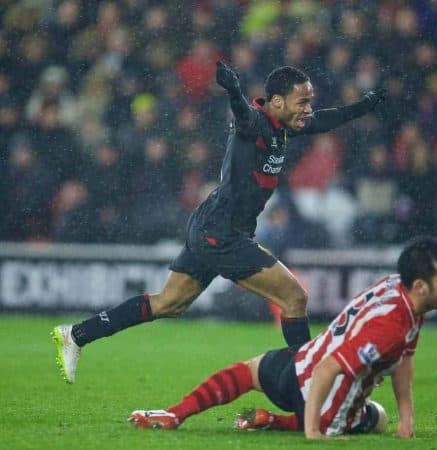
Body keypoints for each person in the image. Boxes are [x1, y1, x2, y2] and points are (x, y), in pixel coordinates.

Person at [51, 61, 387, 384]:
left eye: (309, 102)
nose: (308, 109)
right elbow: (242, 115)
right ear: (278, 102)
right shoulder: (255, 123)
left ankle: (77, 334)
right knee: (294, 297)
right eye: (303, 102)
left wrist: (367, 105)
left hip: (213, 226)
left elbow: (327, 119)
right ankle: (308, 383)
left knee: (169, 303)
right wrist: (234, 91)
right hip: (221, 234)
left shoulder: (284, 127)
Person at [128, 236, 437, 439]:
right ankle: (280, 422)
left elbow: (403, 359)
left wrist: (409, 419)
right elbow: (330, 368)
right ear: (420, 286)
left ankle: (176, 413)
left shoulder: (394, 286)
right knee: (378, 418)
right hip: (321, 396)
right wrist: (314, 430)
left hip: (294, 365)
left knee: (249, 371)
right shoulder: (393, 326)